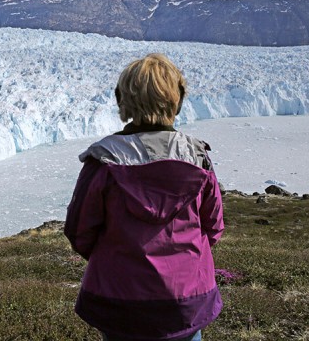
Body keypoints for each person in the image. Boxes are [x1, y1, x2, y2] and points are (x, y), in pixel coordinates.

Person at [64, 53, 224, 341]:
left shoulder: (104, 159)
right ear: (178, 98)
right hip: (185, 301)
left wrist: (114, 258)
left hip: (119, 300)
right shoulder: (197, 157)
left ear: (123, 100)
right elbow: (213, 227)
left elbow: (79, 231)